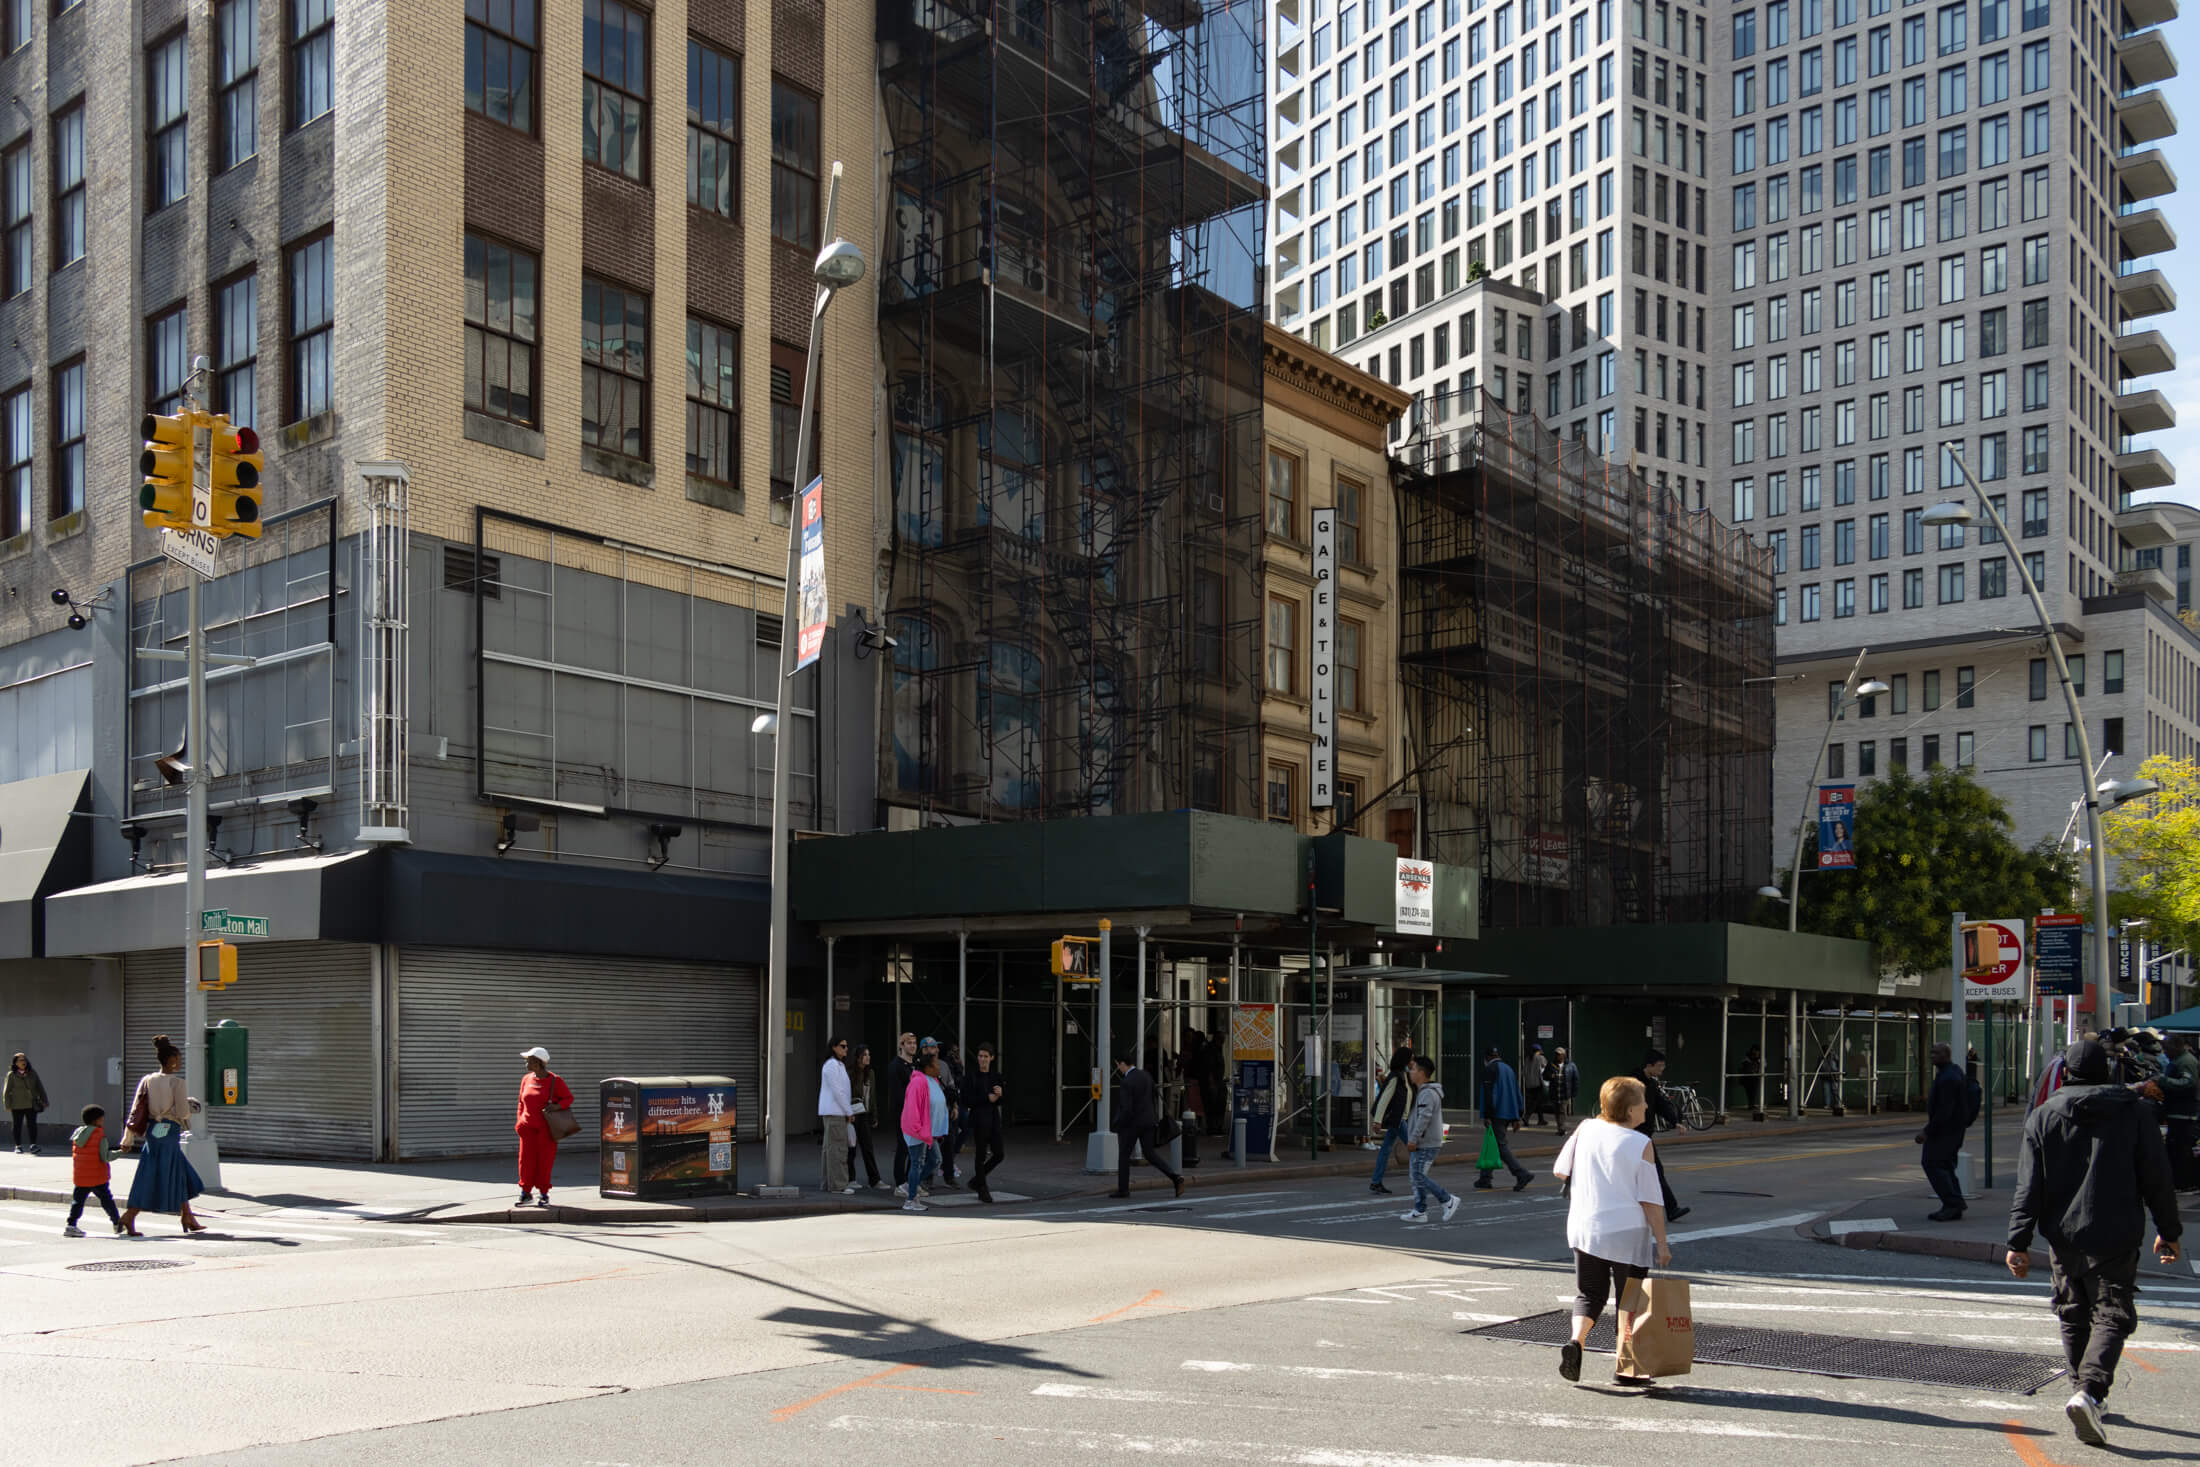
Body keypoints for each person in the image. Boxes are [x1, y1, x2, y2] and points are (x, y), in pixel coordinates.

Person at [2007, 1038, 2185, 1449]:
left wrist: (2018, 1241)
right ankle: (2089, 1392)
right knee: (2113, 1314)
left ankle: (2082, 1392)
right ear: (2108, 1073)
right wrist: (2169, 1231)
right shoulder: (2137, 1113)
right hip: (2117, 1230)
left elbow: (2028, 1187)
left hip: (2063, 1234)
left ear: (2066, 1073)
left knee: (2073, 1312)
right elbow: (2158, 1178)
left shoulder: (2043, 1116)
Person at [1553, 1076, 1673, 1387]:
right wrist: (1662, 1243)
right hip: (1627, 1233)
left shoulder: (1586, 1128)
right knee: (1629, 1299)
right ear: (1631, 1110)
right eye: (1643, 1101)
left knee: (1589, 1294)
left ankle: (1576, 1342)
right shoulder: (1641, 1144)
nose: (1647, 1106)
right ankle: (1627, 1367)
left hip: (1585, 1227)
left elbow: (1560, 1170)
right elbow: (1650, 1200)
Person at [117, 1035, 207, 1238]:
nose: (180, 1061)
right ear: (172, 1060)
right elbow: (183, 1113)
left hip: (153, 1132)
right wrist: (190, 1104)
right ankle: (130, 1215)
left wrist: (127, 1139)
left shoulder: (147, 1080)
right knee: (159, 1175)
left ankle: (188, 1216)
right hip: (169, 1132)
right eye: (179, 1058)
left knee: (177, 1173)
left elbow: (135, 1111)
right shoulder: (177, 1083)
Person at [1110, 1053, 1186, 1199]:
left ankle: (1123, 1189)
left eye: (1118, 1065)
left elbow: (1127, 1108)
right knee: (1150, 1154)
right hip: (1149, 1121)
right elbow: (1154, 1097)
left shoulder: (1127, 1082)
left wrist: (1119, 1124)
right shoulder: (1146, 1076)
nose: (1118, 1069)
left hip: (1132, 1124)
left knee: (1124, 1155)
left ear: (1123, 1064)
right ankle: (1175, 1177)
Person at [513, 1045, 574, 1209]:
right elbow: (521, 1103)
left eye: (529, 1060)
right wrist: (519, 1122)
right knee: (525, 1162)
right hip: (527, 1129)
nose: (526, 1063)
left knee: (544, 1162)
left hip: (546, 1130)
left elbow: (568, 1098)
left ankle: (544, 1193)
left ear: (539, 1062)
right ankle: (526, 1193)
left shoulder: (555, 1080)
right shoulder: (526, 1079)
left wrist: (557, 1106)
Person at [1400, 1055, 1458, 1223]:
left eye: (1413, 1069)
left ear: (1422, 1073)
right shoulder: (1423, 1092)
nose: (1410, 1072)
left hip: (1426, 1142)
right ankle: (1420, 1211)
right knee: (1416, 1175)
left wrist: (1413, 1139)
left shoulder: (1428, 1094)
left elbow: (1424, 1118)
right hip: (1425, 1141)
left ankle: (1447, 1200)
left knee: (1418, 1175)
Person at [1918, 1041, 1971, 1222]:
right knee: (1946, 1166)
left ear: (1946, 1055)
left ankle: (1952, 1203)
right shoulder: (1952, 1072)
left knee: (1932, 1163)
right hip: (1953, 1130)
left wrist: (1927, 1131)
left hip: (1945, 1132)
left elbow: (1944, 1110)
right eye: (1931, 1052)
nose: (1932, 1056)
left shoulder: (1948, 1077)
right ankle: (1953, 1204)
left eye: (1936, 1053)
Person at [1634, 1050, 1687, 1219]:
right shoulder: (1632, 1082)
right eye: (1659, 1066)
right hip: (1632, 1135)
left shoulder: (1652, 1083)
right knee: (1649, 1172)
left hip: (1644, 1136)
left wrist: (1675, 1121)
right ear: (1649, 1065)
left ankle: (1671, 1208)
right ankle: (1670, 1208)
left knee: (1654, 1171)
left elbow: (1661, 1105)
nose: (1662, 1070)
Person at [1477, 1046, 1534, 1192]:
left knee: (1500, 1146)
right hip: (1509, 1112)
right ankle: (1485, 1178)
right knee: (1493, 1143)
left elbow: (1489, 1095)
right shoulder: (1508, 1069)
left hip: (1497, 1113)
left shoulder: (1490, 1070)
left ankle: (1521, 1173)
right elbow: (1516, 1091)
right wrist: (1518, 1116)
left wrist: (1487, 1115)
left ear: (1487, 1058)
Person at [64, 1104, 122, 1237]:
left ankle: (71, 1225)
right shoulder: (99, 1134)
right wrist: (120, 1152)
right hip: (97, 1175)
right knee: (106, 1200)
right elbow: (105, 1156)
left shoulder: (78, 1134)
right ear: (97, 1120)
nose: (103, 1121)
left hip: (81, 1175)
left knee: (78, 1201)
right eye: (102, 1118)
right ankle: (116, 1223)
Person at [1367, 1036, 1415, 1195]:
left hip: (1401, 1118)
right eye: (1411, 1060)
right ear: (1405, 1060)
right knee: (1415, 1148)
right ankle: (1421, 1180)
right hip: (1398, 1119)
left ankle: (1376, 1181)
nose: (1413, 1063)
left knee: (1386, 1149)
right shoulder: (1396, 1077)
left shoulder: (1404, 1076)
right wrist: (1377, 1121)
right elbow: (1384, 1099)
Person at [899, 1053, 946, 1212]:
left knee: (935, 1160)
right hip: (917, 1131)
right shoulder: (918, 1082)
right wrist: (919, 1130)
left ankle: (910, 1185)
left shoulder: (933, 1080)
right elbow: (912, 1109)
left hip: (928, 1131)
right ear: (928, 1067)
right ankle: (911, 1199)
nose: (939, 1067)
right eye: (936, 1064)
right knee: (917, 1162)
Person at [965, 1041, 1007, 1203]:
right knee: (980, 1154)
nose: (982, 1059)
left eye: (985, 1057)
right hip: (978, 1118)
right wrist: (986, 1098)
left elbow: (1003, 1100)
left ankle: (977, 1180)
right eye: (980, 1056)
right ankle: (982, 1187)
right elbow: (966, 1100)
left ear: (992, 1058)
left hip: (993, 1118)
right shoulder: (971, 1076)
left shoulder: (996, 1076)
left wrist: (1000, 1095)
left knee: (999, 1153)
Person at [2158, 1033, 2198, 1192]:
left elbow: (2188, 1083)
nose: (2165, 1052)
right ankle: (2181, 1181)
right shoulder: (2179, 1060)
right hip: (2178, 1111)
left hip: (2183, 1113)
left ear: (2177, 1047)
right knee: (2177, 1148)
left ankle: (2185, 1182)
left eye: (2167, 1049)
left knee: (2181, 1149)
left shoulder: (2186, 1062)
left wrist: (2163, 1080)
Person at [817, 1036, 856, 1195]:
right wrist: (849, 1111)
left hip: (833, 1111)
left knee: (830, 1149)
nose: (846, 1049)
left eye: (846, 1046)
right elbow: (838, 1091)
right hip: (836, 1111)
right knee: (838, 1149)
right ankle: (838, 1184)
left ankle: (829, 1183)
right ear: (834, 1047)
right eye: (842, 1046)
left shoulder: (836, 1065)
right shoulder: (832, 1065)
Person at [847, 1045, 886, 1190]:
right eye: (865, 1055)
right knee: (851, 1147)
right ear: (858, 1057)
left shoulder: (871, 1073)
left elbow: (872, 1096)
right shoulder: (850, 1073)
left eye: (869, 1054)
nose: (868, 1057)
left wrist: (874, 1115)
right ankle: (850, 1178)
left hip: (864, 1114)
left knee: (868, 1147)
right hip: (852, 1113)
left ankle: (874, 1179)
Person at [6, 1050, 47, 1153]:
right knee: (17, 1125)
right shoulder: (11, 1075)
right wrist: (7, 1104)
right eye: (20, 1060)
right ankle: (18, 1146)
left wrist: (44, 1100)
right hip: (17, 1104)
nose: (23, 1062)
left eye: (24, 1059)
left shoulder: (32, 1073)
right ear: (16, 1063)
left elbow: (39, 1087)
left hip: (31, 1103)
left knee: (32, 1124)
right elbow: (6, 1091)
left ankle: (33, 1145)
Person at [1523, 1043, 1551, 1126]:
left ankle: (1541, 1119)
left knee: (1538, 1102)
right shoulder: (1541, 1058)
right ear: (1539, 1051)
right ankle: (1526, 1117)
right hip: (1538, 1083)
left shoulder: (1527, 1058)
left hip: (1529, 1084)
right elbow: (1546, 1068)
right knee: (1536, 1101)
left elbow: (1524, 1071)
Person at [1554, 1048, 1581, 1131]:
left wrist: (1574, 1092)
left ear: (1563, 1055)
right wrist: (1550, 1076)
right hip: (1554, 1092)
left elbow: (1576, 1079)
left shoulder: (1571, 1065)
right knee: (1556, 1111)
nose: (1557, 1056)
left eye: (1559, 1054)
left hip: (1564, 1092)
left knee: (1562, 1110)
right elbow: (1545, 1075)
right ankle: (1560, 1126)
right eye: (1556, 1054)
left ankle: (1561, 1128)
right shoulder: (1551, 1064)